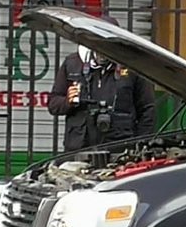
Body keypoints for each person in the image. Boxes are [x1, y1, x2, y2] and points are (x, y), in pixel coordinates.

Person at [48, 15, 156, 151]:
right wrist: (67, 102)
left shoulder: (132, 66)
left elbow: (147, 110)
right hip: (79, 147)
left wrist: (138, 145)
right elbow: (53, 104)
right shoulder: (73, 63)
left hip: (120, 148)